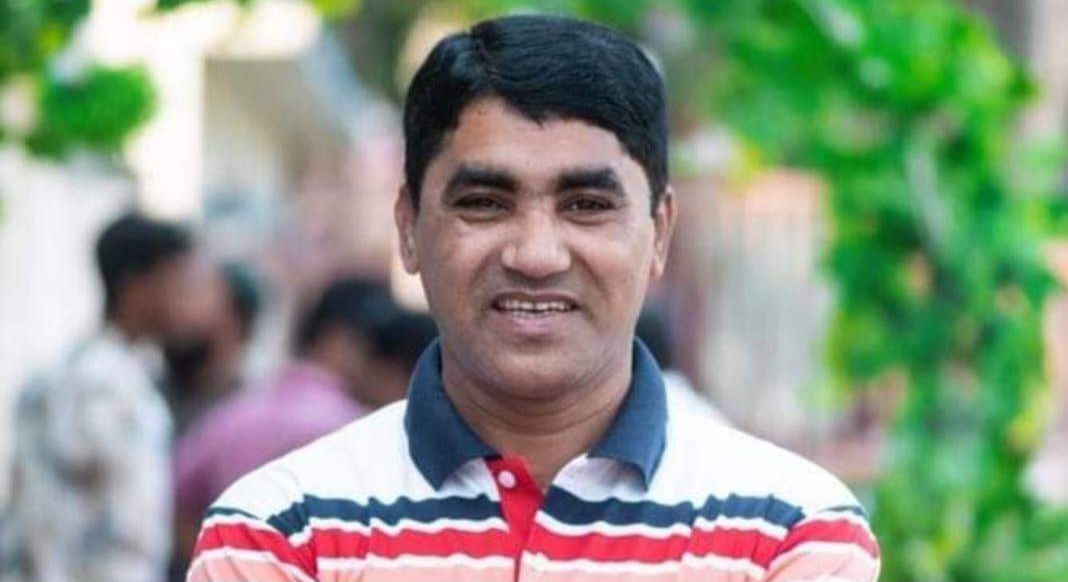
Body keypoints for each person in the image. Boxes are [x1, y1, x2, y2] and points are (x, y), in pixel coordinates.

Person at [188, 15, 880, 582]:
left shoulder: (788, 531)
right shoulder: (282, 532)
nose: (536, 254)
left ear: (660, 232)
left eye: (586, 205)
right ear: (409, 228)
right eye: (485, 203)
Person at [6, 212, 211, 582]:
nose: (193, 300)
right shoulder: (105, 387)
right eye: (179, 282)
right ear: (136, 287)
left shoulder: (79, 374)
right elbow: (111, 535)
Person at [172, 276, 394, 574]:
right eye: (376, 350)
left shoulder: (232, 415)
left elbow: (174, 500)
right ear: (339, 341)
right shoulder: (357, 428)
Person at [163, 261, 263, 436]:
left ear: (237, 324)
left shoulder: (251, 413)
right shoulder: (142, 396)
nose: (178, 311)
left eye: (197, 298)